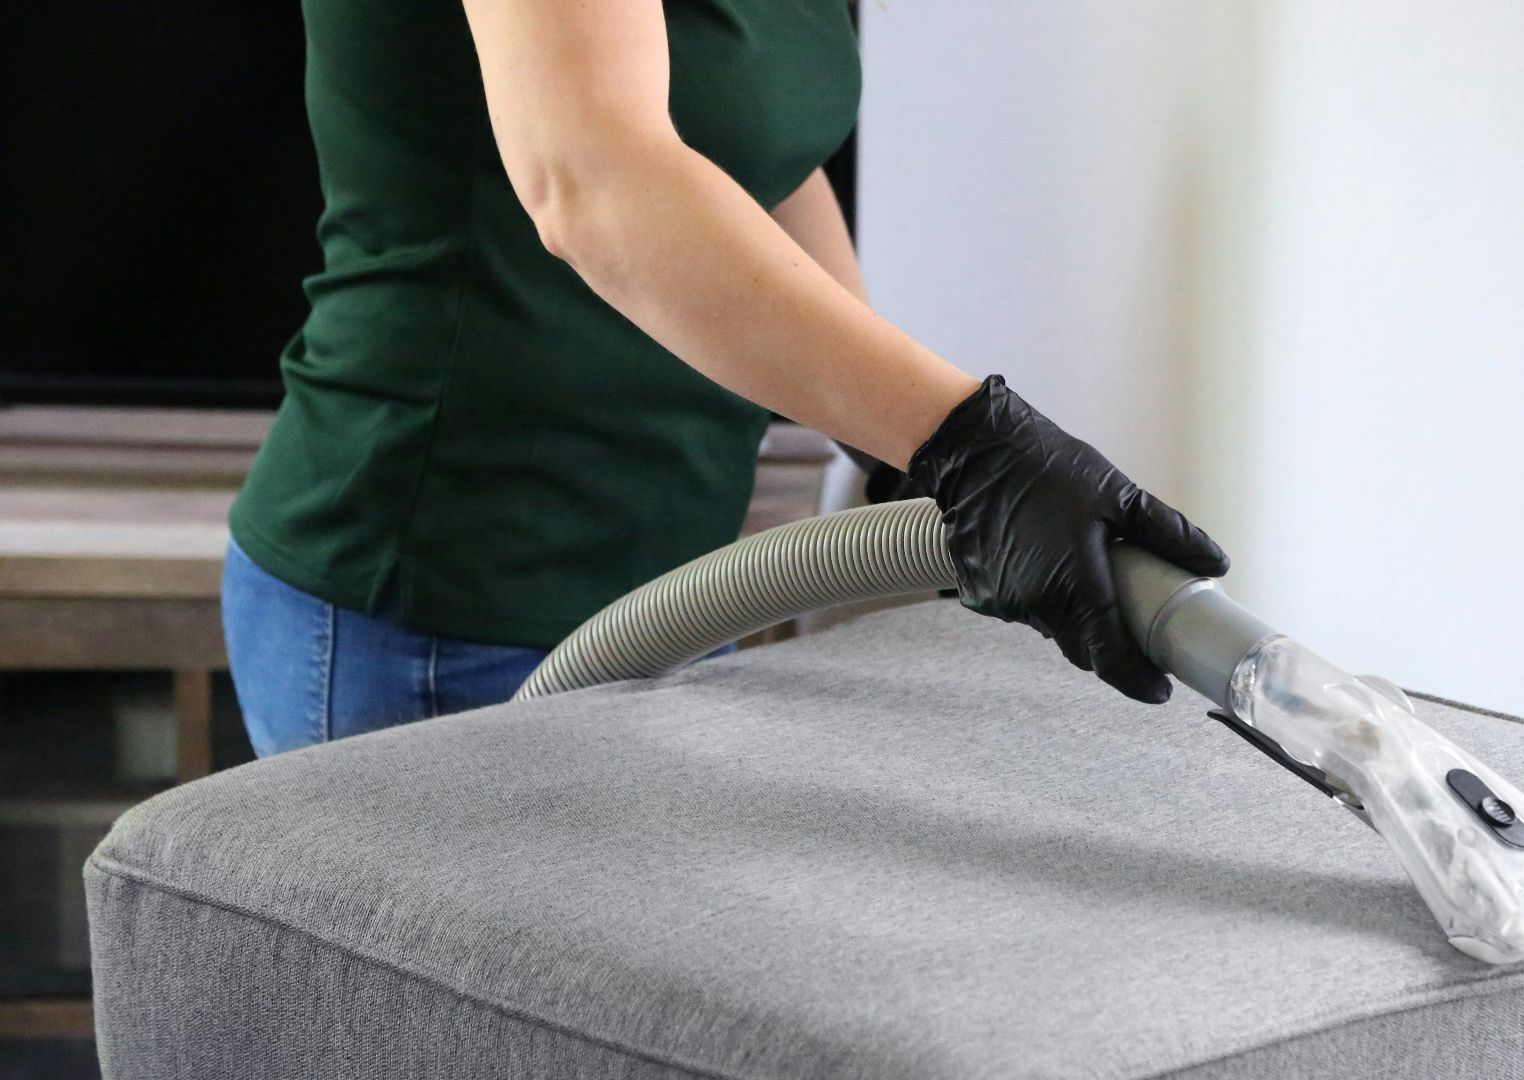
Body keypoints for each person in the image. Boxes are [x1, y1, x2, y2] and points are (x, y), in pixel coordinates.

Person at [222, 0, 1229, 758]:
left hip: (668, 586)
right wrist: (974, 448)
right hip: (440, 606)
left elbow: (755, 158)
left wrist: (898, 452)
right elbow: (592, 178)